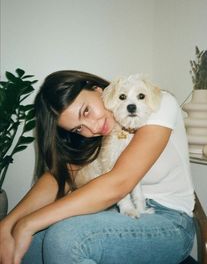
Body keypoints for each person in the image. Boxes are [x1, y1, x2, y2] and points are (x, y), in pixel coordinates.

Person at [0, 70, 196, 264]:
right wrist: (8, 225)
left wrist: (28, 223)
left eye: (86, 111)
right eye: (78, 129)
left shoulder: (158, 103)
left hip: (171, 220)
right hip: (118, 213)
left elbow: (119, 182)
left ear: (98, 90)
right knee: (34, 242)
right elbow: (59, 177)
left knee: (67, 239)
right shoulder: (102, 134)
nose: (92, 129)